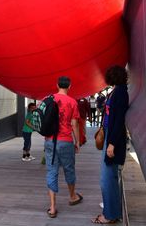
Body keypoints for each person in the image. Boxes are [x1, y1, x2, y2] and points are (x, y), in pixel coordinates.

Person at [92, 65, 130, 224]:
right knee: (110, 178)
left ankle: (110, 215)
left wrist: (112, 144)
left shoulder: (120, 93)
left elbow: (119, 120)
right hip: (110, 135)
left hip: (114, 138)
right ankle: (112, 212)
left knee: (107, 179)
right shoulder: (117, 91)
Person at [45, 76, 83, 218]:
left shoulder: (48, 99)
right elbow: (74, 124)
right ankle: (72, 196)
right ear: (70, 86)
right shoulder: (72, 102)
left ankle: (53, 207)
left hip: (50, 141)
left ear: (57, 85)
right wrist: (77, 142)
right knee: (69, 169)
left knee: (51, 170)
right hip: (66, 141)